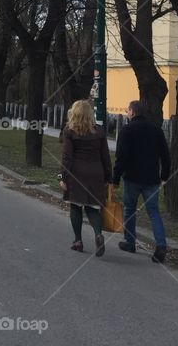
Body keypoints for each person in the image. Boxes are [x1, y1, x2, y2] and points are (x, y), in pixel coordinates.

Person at [113, 99, 171, 263]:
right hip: (151, 178)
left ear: (132, 112)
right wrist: (164, 175)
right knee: (153, 212)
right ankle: (161, 245)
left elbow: (121, 157)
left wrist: (116, 178)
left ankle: (130, 242)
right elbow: (165, 155)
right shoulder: (156, 130)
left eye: (127, 110)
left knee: (129, 209)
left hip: (132, 177)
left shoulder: (127, 130)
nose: (127, 113)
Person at [60, 100, 112, 255]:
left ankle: (78, 240)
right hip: (96, 172)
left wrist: (62, 176)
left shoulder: (70, 131)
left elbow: (67, 157)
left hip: (77, 172)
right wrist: (109, 177)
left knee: (76, 206)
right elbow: (105, 156)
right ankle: (98, 234)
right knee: (92, 207)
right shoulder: (100, 131)